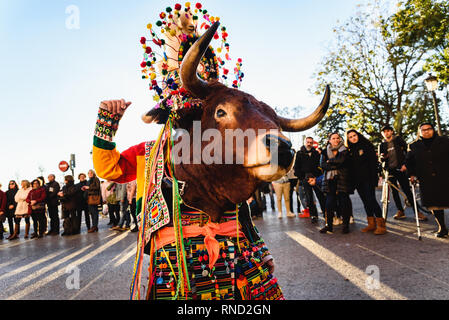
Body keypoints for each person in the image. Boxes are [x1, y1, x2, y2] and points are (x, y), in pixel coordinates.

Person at [406, 123, 449, 238]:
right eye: (423, 130)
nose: (426, 131)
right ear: (419, 132)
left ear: (433, 130)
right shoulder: (414, 146)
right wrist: (411, 174)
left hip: (445, 176)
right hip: (427, 179)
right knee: (434, 204)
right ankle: (442, 228)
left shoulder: (444, 141)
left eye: (429, 129)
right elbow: (410, 162)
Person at [379, 125, 427, 221]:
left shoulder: (398, 140)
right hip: (389, 170)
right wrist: (382, 157)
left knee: (407, 190)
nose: (386, 133)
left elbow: (408, 153)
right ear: (382, 134)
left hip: (401, 168)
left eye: (388, 131)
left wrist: (406, 164)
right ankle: (400, 211)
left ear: (392, 132)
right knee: (394, 192)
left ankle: (417, 212)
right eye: (384, 132)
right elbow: (380, 159)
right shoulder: (381, 145)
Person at [346, 129, 386, 235]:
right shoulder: (350, 150)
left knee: (371, 200)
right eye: (350, 137)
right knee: (365, 202)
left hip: (368, 178)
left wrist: (375, 178)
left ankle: (381, 225)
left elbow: (373, 164)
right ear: (348, 139)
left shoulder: (367, 145)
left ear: (358, 135)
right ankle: (371, 224)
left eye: (354, 135)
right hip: (358, 181)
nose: (353, 138)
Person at [320, 132, 354, 234]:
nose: (336, 140)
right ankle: (328, 225)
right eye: (333, 138)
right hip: (330, 180)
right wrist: (334, 164)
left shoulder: (344, 150)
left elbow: (342, 161)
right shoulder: (324, 152)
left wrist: (329, 162)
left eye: (337, 138)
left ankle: (345, 225)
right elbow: (322, 165)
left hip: (342, 178)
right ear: (329, 140)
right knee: (329, 203)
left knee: (344, 202)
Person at [294, 137, 326, 224]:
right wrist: (302, 177)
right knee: (309, 198)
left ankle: (325, 213)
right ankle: (313, 215)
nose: (309, 144)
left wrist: (316, 177)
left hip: (316, 178)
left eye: (311, 142)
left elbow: (319, 166)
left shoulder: (316, 153)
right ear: (305, 142)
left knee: (321, 196)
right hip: (305, 178)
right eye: (307, 142)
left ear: (312, 143)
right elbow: (296, 167)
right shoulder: (299, 153)